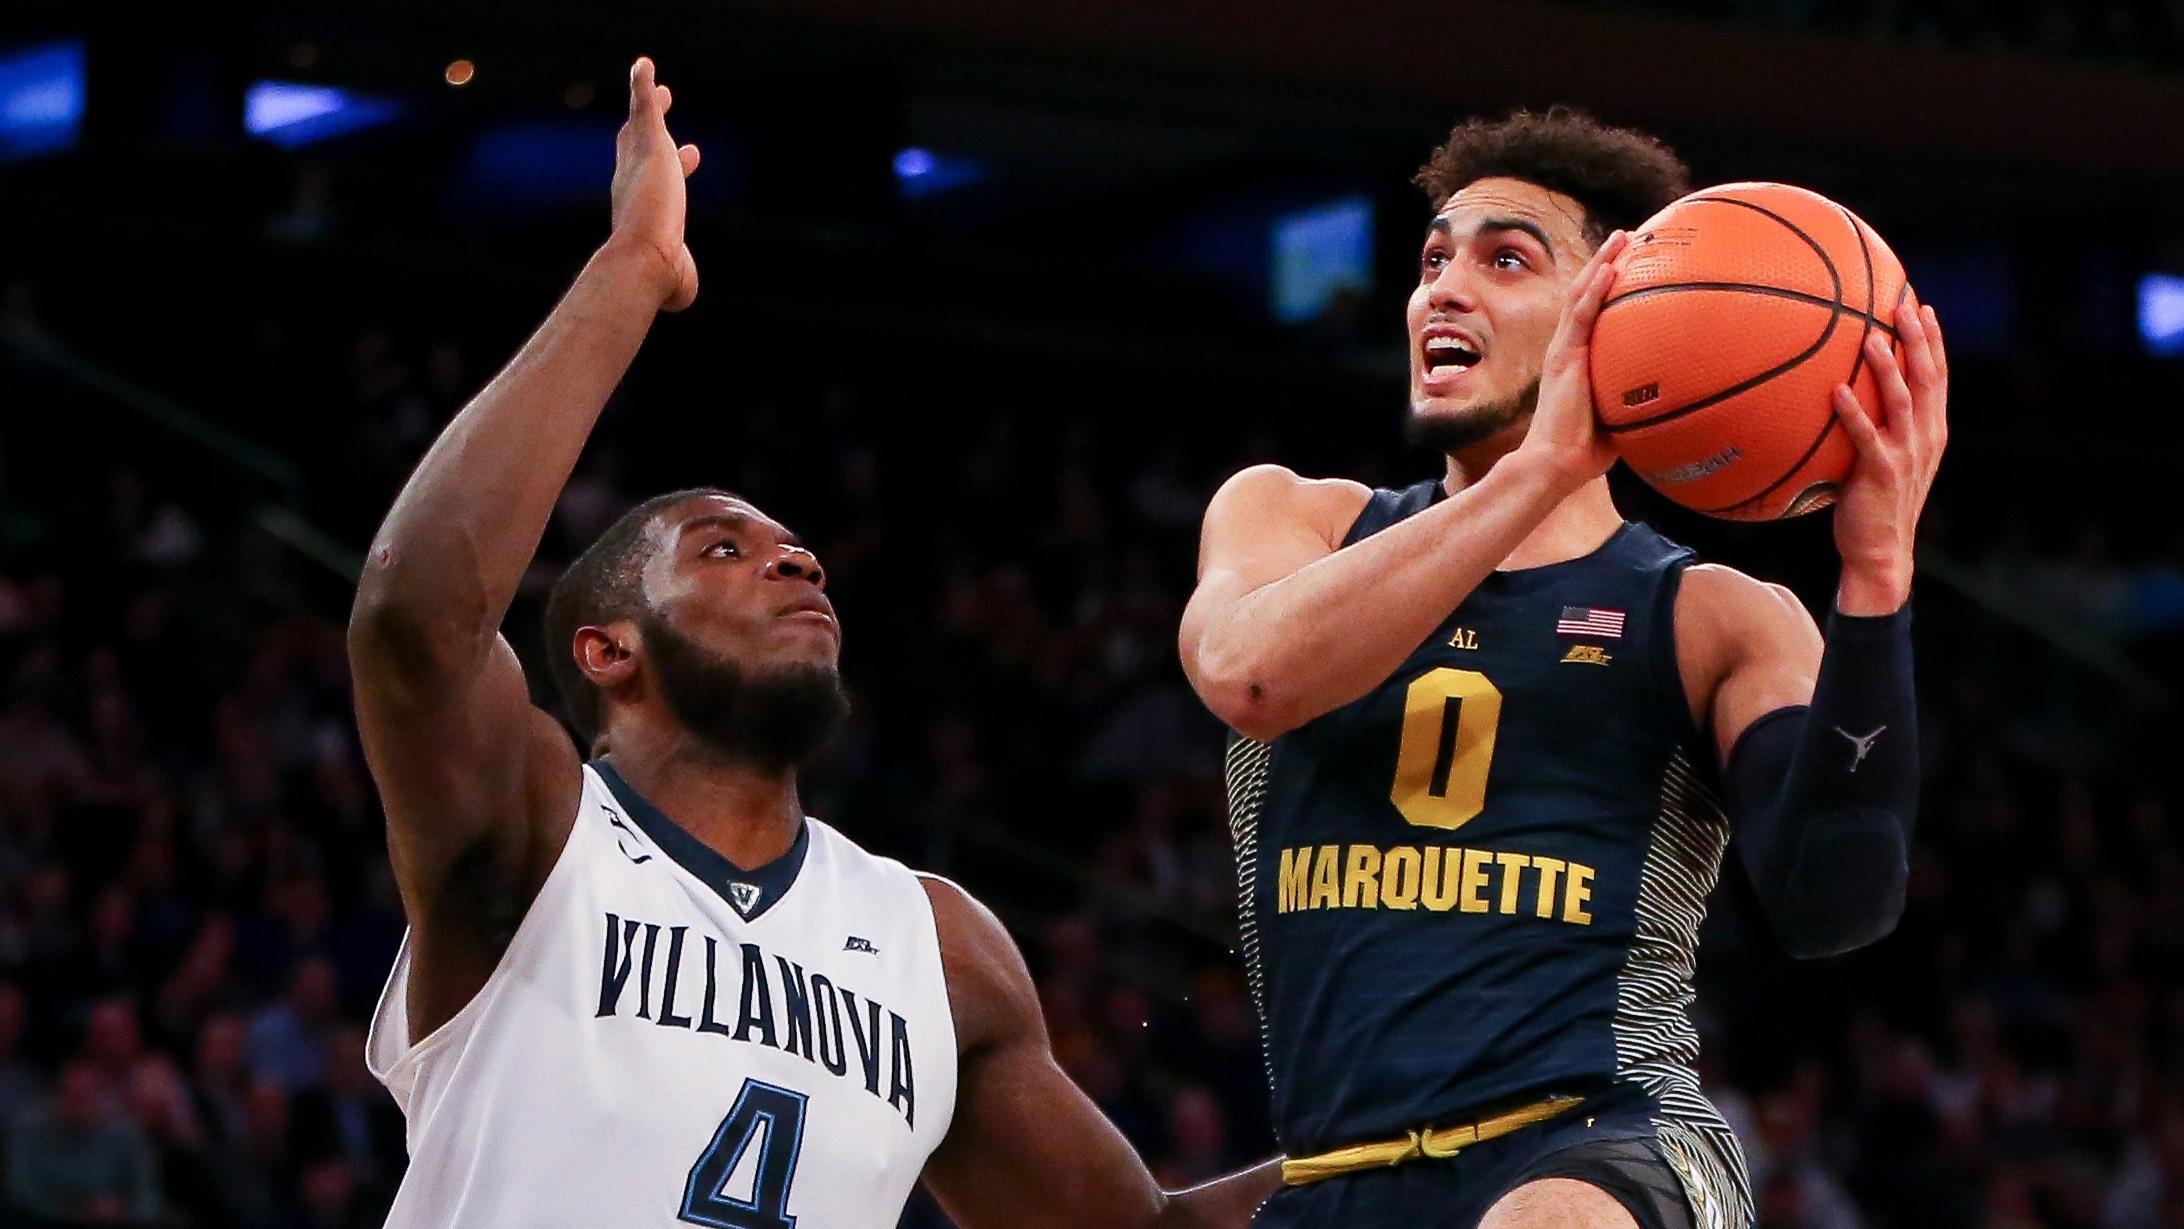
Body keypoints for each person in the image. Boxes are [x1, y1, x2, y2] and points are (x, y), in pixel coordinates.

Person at [347, 57, 1278, 1229]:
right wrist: (631, 269)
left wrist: (1425, 1150)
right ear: (605, 650)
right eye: (722, 550)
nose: (797, 561)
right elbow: (411, 614)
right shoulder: (535, 831)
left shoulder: (934, 944)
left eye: (797, 550)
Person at [1179, 110, 1944, 1229]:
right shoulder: (1291, 517)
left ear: (1623, 316)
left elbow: (1837, 904)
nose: (1443, 287)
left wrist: (1877, 576)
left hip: (1610, 1146)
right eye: (1435, 257)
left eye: (1504, 260)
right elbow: (1250, 675)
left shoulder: (1715, 616)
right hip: (1336, 1176)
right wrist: (1538, 472)